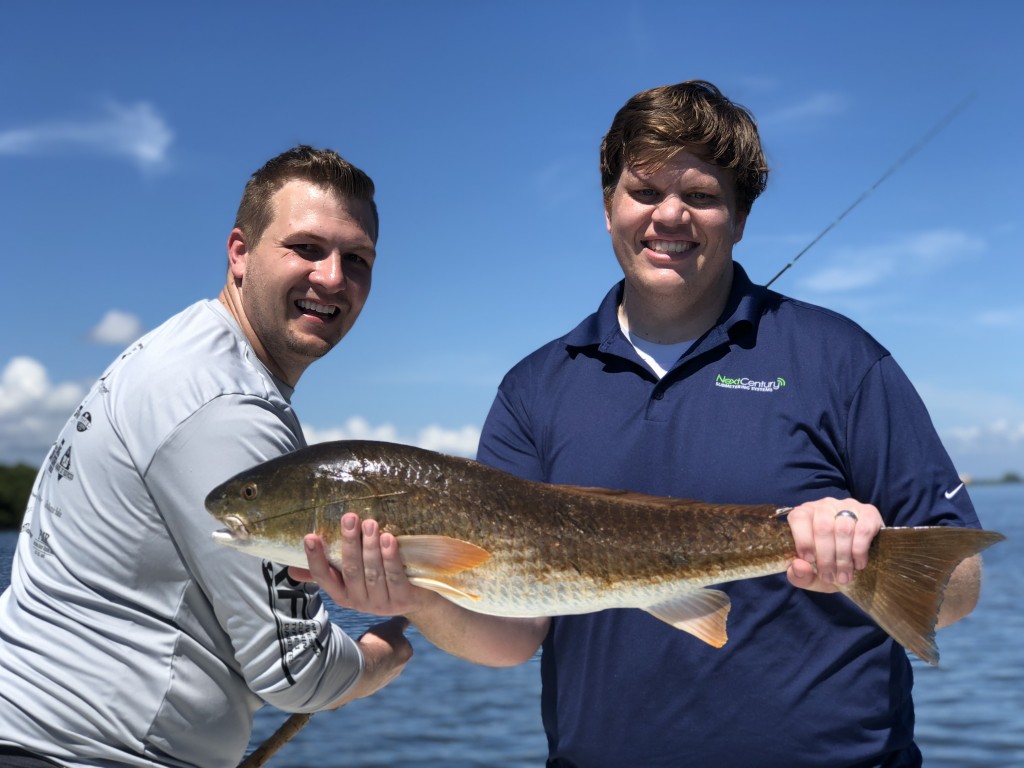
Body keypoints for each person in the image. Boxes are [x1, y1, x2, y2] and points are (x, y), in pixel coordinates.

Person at [296, 81, 988, 766]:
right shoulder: (535, 390)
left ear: (740, 219)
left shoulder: (841, 359)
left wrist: (862, 551)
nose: (671, 216)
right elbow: (513, 636)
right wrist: (417, 595)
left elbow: (957, 585)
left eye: (703, 196)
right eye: (646, 192)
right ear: (608, 207)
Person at [0, 146, 412, 767]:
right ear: (240, 253)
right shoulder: (226, 408)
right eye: (305, 248)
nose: (332, 277)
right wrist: (392, 644)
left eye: (356, 258)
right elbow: (298, 672)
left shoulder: (183, 351)